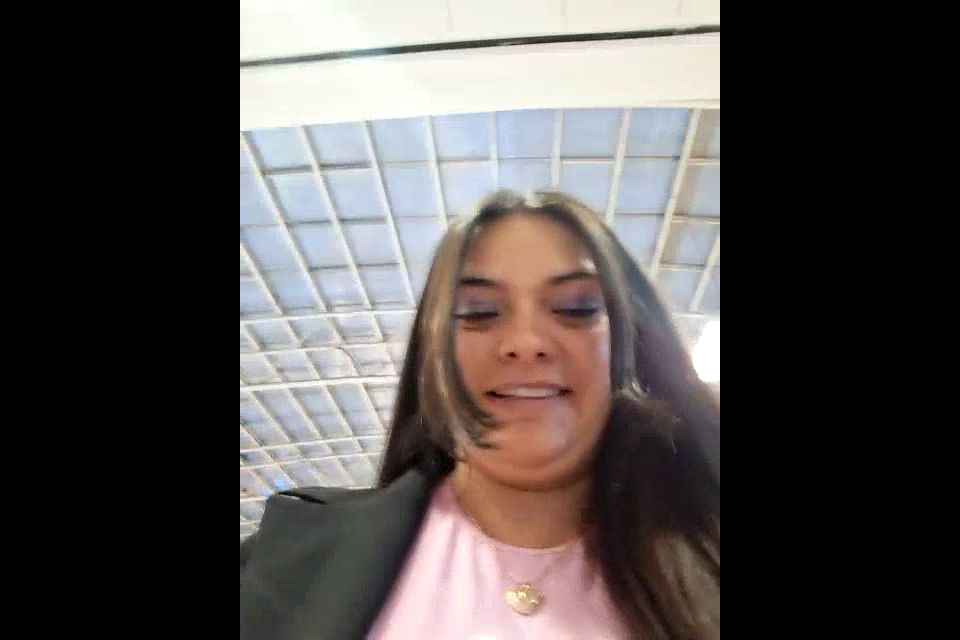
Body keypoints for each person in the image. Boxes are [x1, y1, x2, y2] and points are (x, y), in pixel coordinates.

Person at [240, 191, 720, 639]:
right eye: (479, 312)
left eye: (576, 308)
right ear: (434, 355)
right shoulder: (288, 561)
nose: (527, 343)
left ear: (632, 342)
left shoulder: (704, 558)